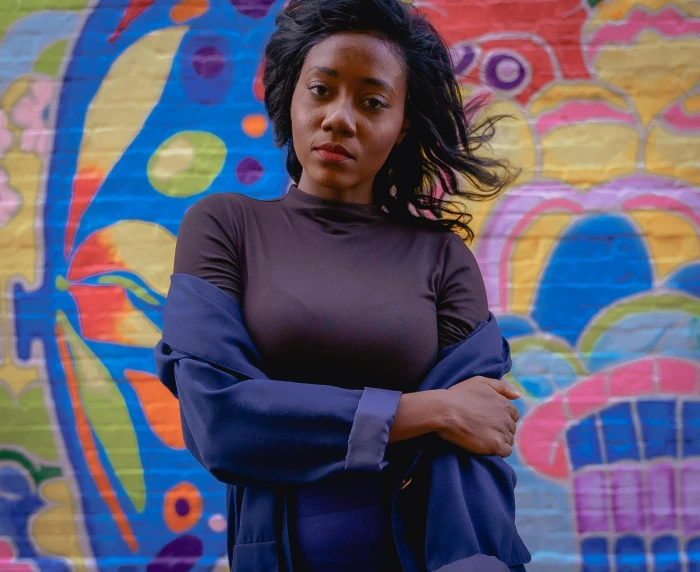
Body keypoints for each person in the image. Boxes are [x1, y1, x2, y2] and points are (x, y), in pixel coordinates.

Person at [163, 0, 526, 569]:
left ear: (401, 124)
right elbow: (223, 422)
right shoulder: (226, 227)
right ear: (291, 95)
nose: (339, 117)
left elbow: (477, 430)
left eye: (372, 102)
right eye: (321, 89)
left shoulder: (440, 257)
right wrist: (428, 409)